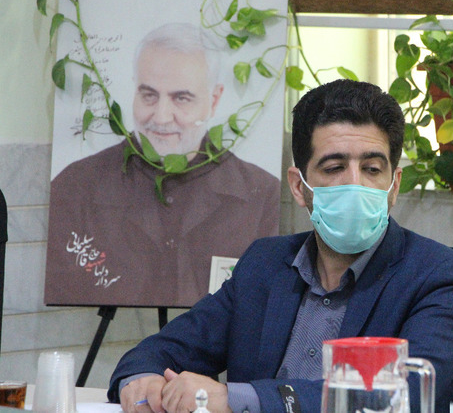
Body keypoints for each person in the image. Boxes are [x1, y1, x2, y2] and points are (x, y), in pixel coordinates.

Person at [107, 79, 453, 412]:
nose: (355, 184)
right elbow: (159, 352)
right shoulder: (265, 263)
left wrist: (235, 400)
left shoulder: (440, 277)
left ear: (394, 185)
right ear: (299, 186)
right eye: (334, 168)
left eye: (372, 169)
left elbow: (404, 395)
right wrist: (144, 381)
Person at [45, 23, 280, 308]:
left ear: (213, 101)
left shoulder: (260, 194)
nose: (161, 116)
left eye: (181, 98)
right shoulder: (75, 187)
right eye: (149, 95)